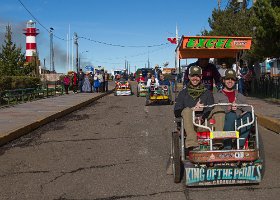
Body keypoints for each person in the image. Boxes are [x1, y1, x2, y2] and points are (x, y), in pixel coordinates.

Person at [174, 66, 214, 150]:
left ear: (201, 77)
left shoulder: (207, 93)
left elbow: (210, 109)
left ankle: (218, 143)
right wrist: (192, 110)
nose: (195, 78)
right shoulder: (183, 93)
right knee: (187, 110)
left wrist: (202, 117)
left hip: (203, 124)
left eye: (197, 76)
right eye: (193, 76)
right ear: (189, 77)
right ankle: (192, 143)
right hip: (189, 125)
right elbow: (177, 111)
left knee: (218, 110)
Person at [214, 68, 252, 149]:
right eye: (227, 79)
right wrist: (229, 109)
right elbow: (214, 110)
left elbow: (249, 109)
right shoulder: (216, 96)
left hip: (238, 123)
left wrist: (238, 106)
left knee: (250, 115)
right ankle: (227, 146)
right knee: (231, 115)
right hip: (223, 123)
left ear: (235, 81)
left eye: (232, 79)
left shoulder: (240, 96)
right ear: (223, 80)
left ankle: (239, 145)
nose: (230, 81)